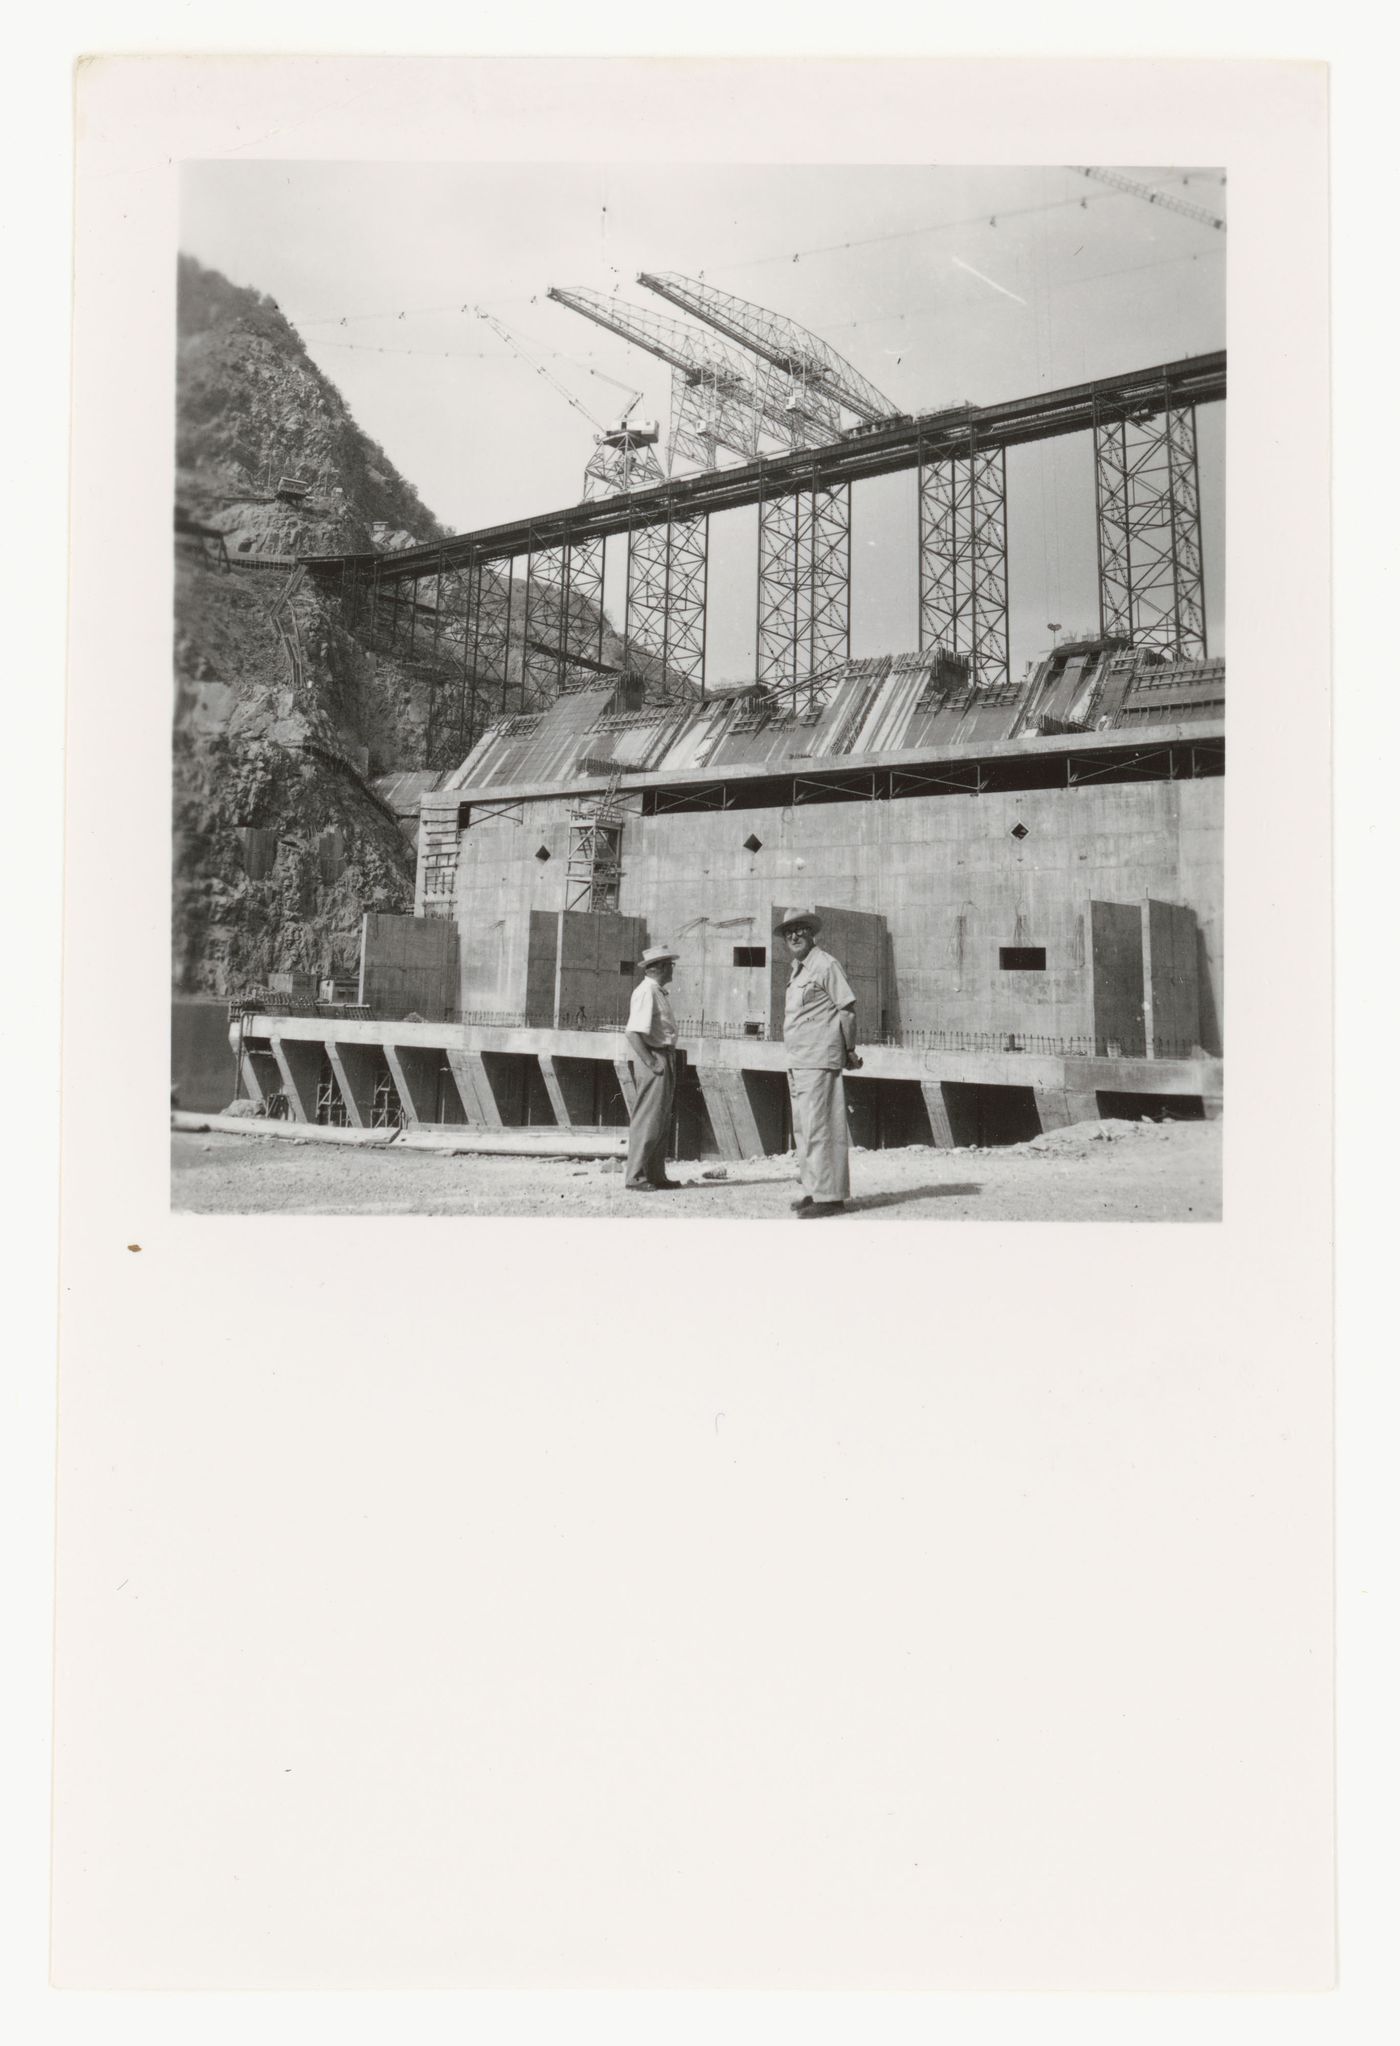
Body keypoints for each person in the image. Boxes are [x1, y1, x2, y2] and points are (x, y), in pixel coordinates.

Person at [777, 909, 861, 1218]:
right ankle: (815, 1190)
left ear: (812, 934)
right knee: (804, 1129)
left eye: (800, 930)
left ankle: (831, 1196)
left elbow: (847, 1009)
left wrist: (849, 1049)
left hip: (818, 1059)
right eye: (789, 933)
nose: (795, 936)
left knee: (822, 1127)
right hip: (799, 1060)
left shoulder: (825, 964)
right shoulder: (798, 969)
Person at [624, 943, 682, 1192]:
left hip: (663, 1057)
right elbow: (633, 1032)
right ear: (657, 967)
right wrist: (651, 1062)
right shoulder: (646, 992)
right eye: (669, 965)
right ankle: (635, 1176)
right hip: (655, 1057)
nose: (672, 969)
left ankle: (656, 1175)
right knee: (647, 1119)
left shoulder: (656, 991)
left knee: (659, 1120)